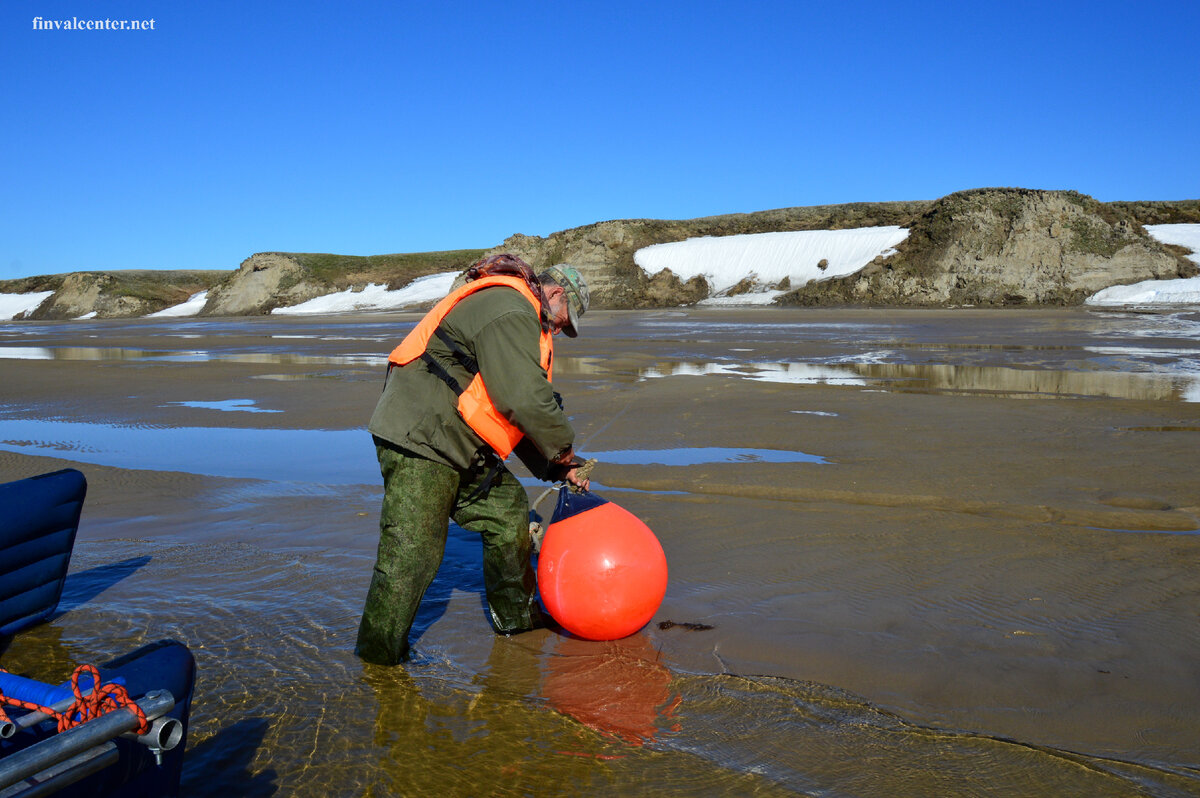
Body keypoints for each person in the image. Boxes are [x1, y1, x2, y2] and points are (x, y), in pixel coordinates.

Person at [356, 254, 591, 665]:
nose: (557, 330)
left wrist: (558, 466)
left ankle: (517, 621)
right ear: (556, 293)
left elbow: (506, 407)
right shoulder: (511, 309)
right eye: (562, 321)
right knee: (412, 554)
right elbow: (522, 399)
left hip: (457, 441)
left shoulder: (517, 311)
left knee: (507, 512)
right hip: (423, 437)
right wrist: (564, 449)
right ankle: (378, 661)